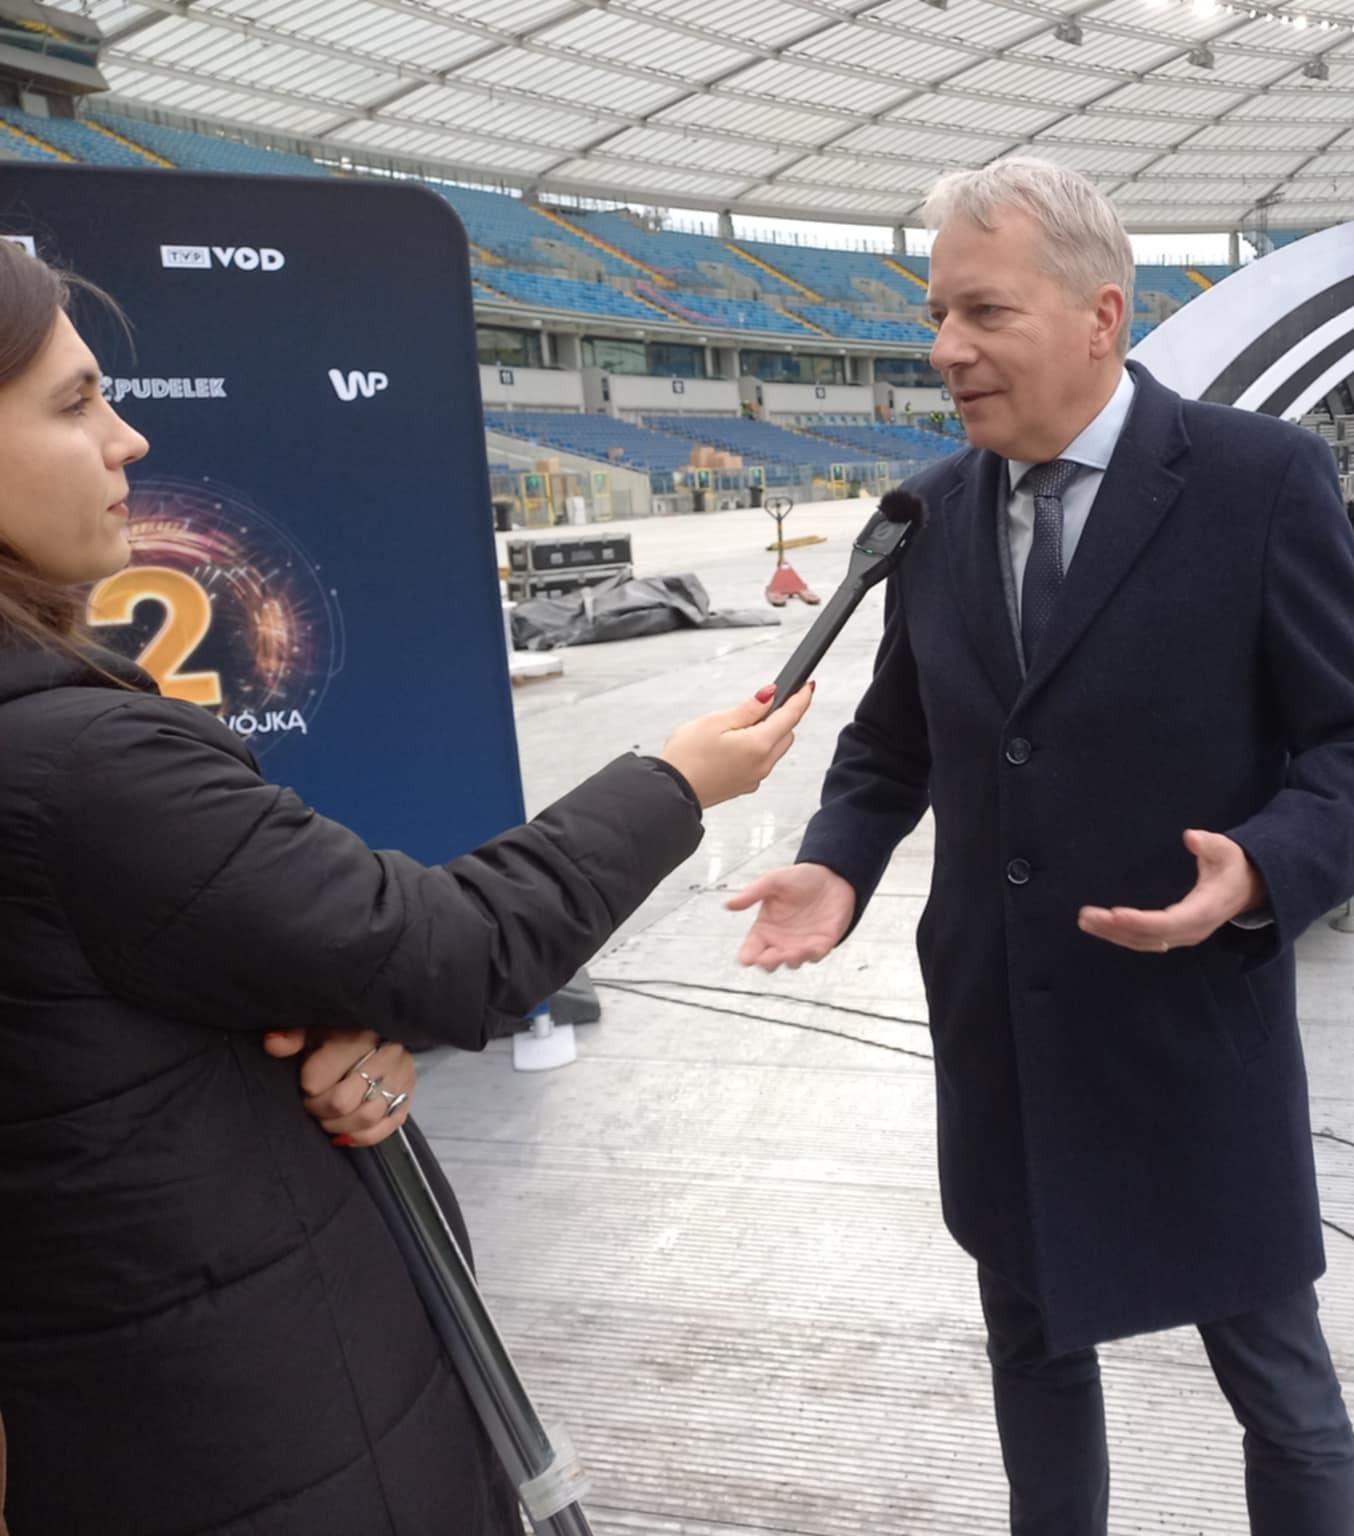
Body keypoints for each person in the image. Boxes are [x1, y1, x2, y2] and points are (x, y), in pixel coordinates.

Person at [0, 236, 813, 1534]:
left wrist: (285, 1046)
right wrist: (674, 780)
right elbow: (448, 950)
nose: (126, 439)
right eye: (73, 401)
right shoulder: (77, 766)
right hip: (250, 1435)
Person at [728, 158, 1354, 1533]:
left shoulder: (1257, 483)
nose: (945, 350)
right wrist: (840, 859)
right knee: (1033, 1363)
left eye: (983, 313)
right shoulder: (930, 513)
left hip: (1187, 1040)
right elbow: (893, 744)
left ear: (1101, 315)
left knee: (1282, 1397)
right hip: (1006, 1044)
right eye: (938, 315)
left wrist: (1266, 868)